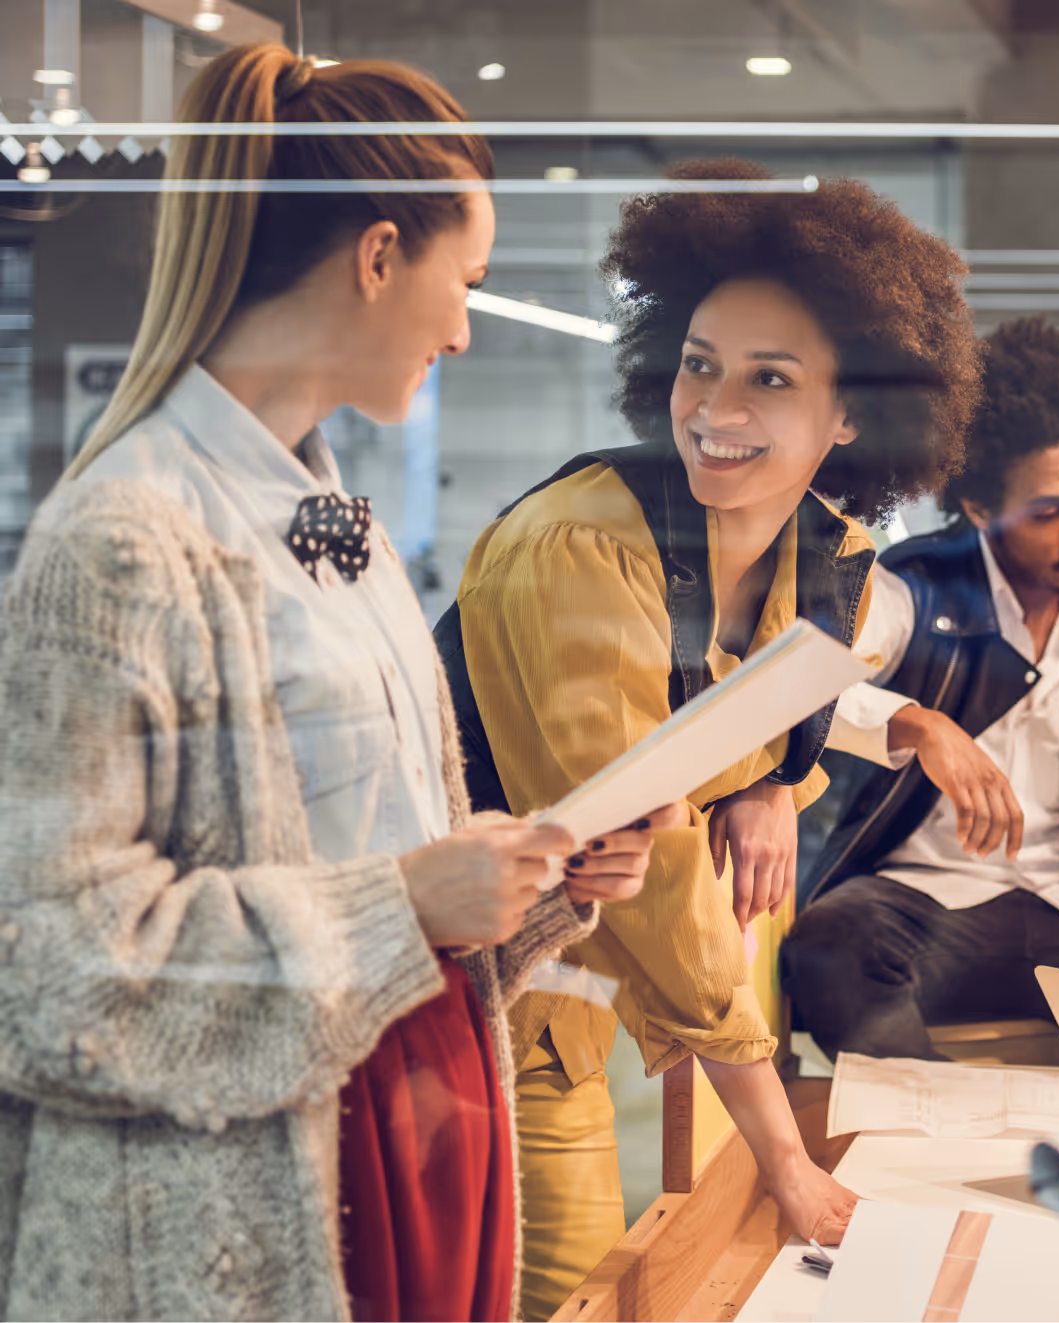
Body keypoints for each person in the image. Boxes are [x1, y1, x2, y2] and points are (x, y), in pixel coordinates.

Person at [0, 43, 665, 1323]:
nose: (467, 328)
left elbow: (372, 866)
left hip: (422, 1114)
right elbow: (49, 976)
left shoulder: (325, 519)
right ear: (375, 258)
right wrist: (408, 900)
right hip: (266, 1176)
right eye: (460, 283)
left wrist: (525, 887)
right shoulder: (122, 538)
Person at [436, 159, 982, 1318]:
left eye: (769, 380)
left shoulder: (825, 555)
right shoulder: (579, 548)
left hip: (671, 1016)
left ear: (850, 417)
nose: (715, 411)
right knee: (576, 1291)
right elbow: (646, 843)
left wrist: (771, 783)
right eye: (698, 365)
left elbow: (765, 715)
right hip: (502, 998)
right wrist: (785, 1148)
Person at [783, 317, 1059, 1062]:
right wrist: (919, 723)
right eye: (1049, 511)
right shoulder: (912, 588)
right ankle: (921, 1136)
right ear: (981, 509)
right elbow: (793, 680)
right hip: (930, 907)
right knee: (830, 942)